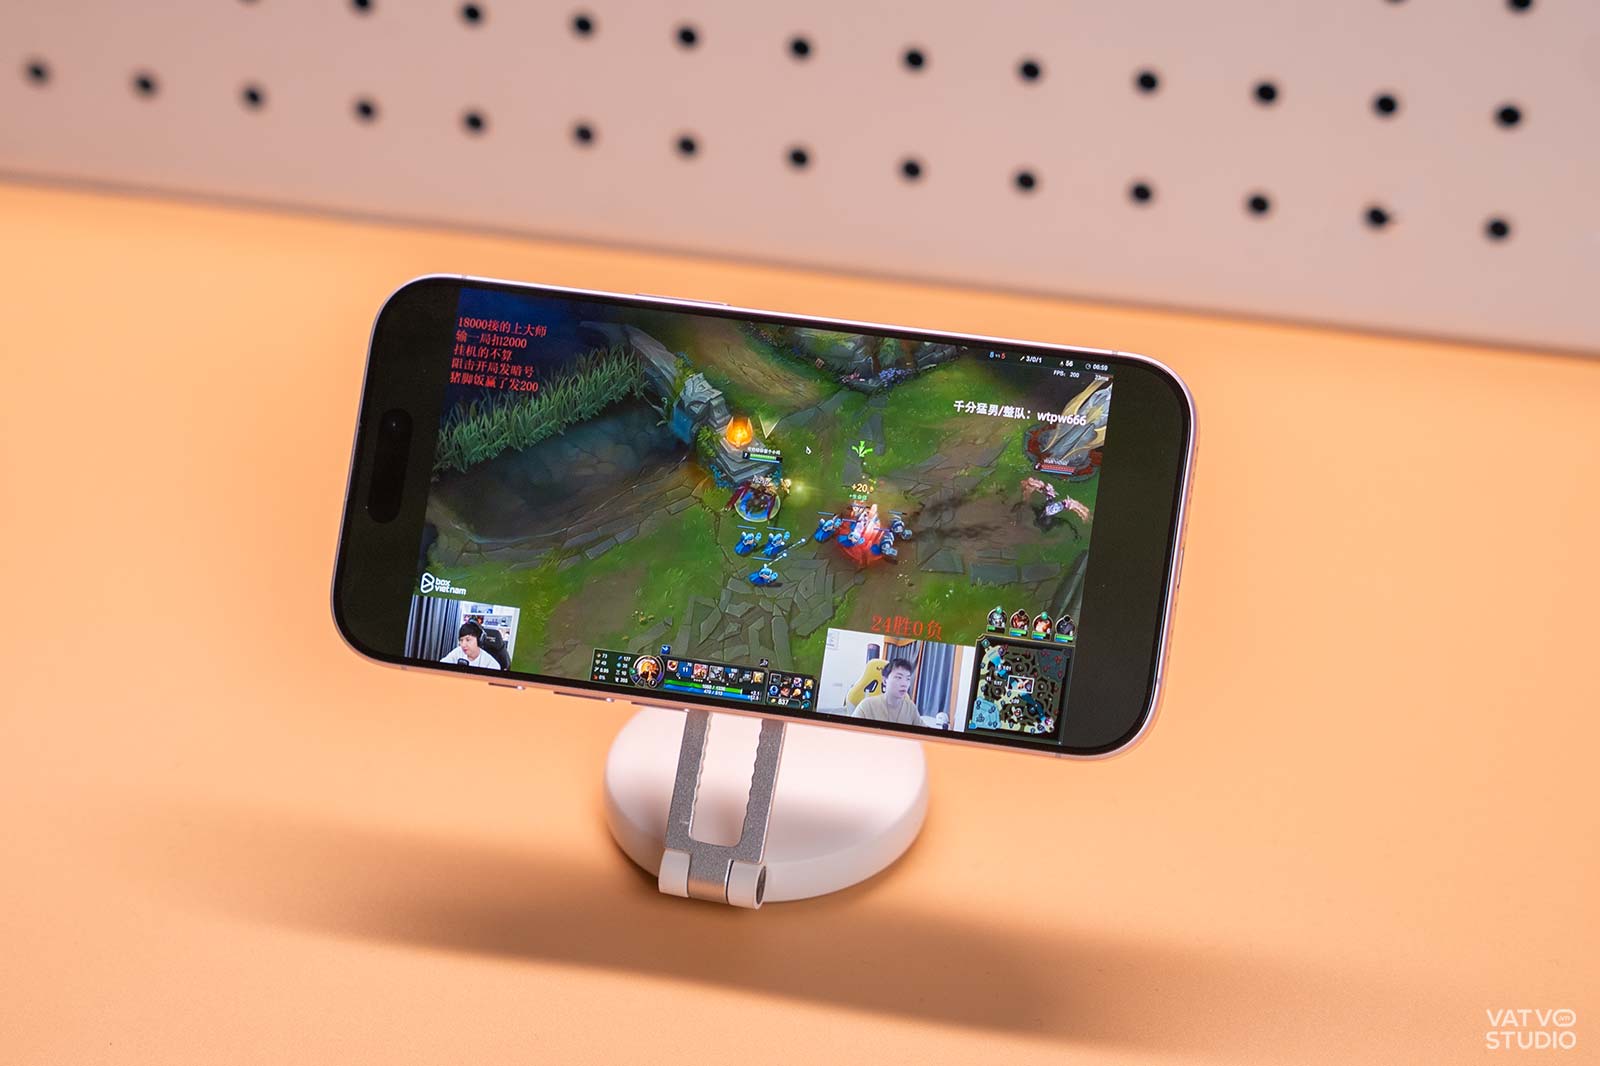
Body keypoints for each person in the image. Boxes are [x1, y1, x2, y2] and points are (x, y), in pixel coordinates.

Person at [852, 658, 924, 727]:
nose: (904, 684)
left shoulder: (911, 708)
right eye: (899, 677)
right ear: (885, 681)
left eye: (908, 679)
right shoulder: (866, 706)